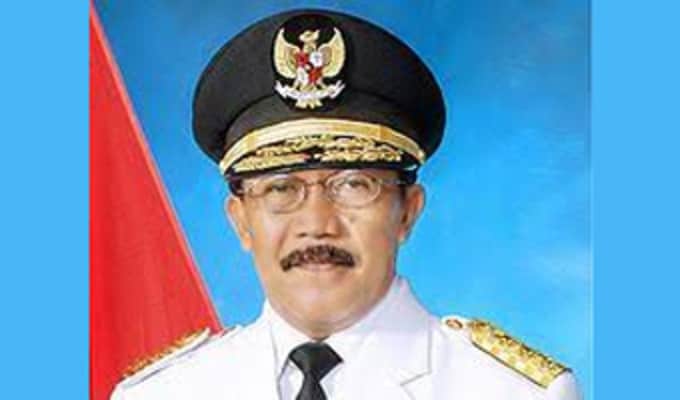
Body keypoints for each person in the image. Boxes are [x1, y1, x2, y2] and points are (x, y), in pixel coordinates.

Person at [111, 9, 581, 400]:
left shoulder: (512, 393)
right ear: (241, 222)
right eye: (281, 189)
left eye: (354, 185)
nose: (316, 224)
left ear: (408, 211)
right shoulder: (162, 394)